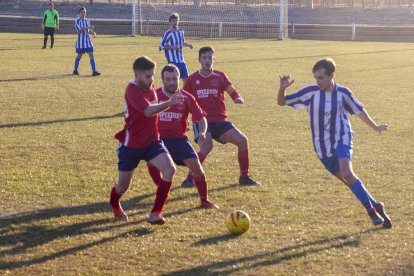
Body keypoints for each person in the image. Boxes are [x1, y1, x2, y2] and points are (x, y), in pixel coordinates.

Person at [277, 57, 392, 228]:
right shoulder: (310, 92)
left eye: (321, 77)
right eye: (315, 77)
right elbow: (281, 102)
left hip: (342, 137)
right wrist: (282, 89)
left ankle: (371, 211)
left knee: (346, 172)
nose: (318, 81)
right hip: (321, 147)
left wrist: (375, 127)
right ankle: (376, 205)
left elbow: (359, 111)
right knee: (349, 179)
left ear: (332, 75)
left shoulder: (343, 93)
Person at [109, 56, 184, 225]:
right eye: (148, 76)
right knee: (122, 186)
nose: (151, 80)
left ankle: (155, 213)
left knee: (170, 170)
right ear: (137, 75)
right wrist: (170, 103)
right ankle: (114, 204)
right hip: (131, 145)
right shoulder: (132, 90)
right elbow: (149, 111)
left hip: (152, 142)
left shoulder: (149, 86)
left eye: (153, 75)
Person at [181, 46, 259, 188]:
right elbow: (184, 100)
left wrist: (237, 98)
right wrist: (184, 119)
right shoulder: (193, 79)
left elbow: (230, 89)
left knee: (242, 141)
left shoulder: (220, 76)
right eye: (204, 57)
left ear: (214, 59)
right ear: (199, 60)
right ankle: (188, 179)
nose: (207, 60)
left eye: (210, 57)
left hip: (220, 121)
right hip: (201, 122)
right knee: (206, 147)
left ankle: (244, 177)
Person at [147, 64, 219, 209]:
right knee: (151, 162)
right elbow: (144, 114)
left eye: (175, 79)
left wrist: (202, 132)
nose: (172, 82)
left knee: (197, 169)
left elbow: (201, 118)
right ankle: (161, 189)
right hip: (158, 140)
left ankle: (204, 200)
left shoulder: (186, 97)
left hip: (179, 140)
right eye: (168, 79)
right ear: (162, 80)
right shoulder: (154, 95)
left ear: (179, 79)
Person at [159, 13, 193, 86]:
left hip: (181, 60)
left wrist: (188, 45)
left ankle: (183, 95)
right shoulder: (168, 33)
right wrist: (172, 47)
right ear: (170, 22)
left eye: (176, 20)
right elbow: (161, 46)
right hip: (172, 61)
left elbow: (182, 42)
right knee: (173, 81)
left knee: (186, 80)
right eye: (173, 21)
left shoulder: (181, 31)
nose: (175, 22)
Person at [73, 7, 100, 76]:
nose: (83, 13)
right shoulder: (77, 21)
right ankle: (75, 70)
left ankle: (94, 71)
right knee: (79, 56)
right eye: (82, 12)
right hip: (80, 43)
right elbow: (80, 30)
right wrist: (88, 28)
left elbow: (87, 31)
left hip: (88, 41)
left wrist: (93, 33)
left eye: (84, 12)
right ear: (79, 13)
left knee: (91, 55)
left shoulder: (87, 21)